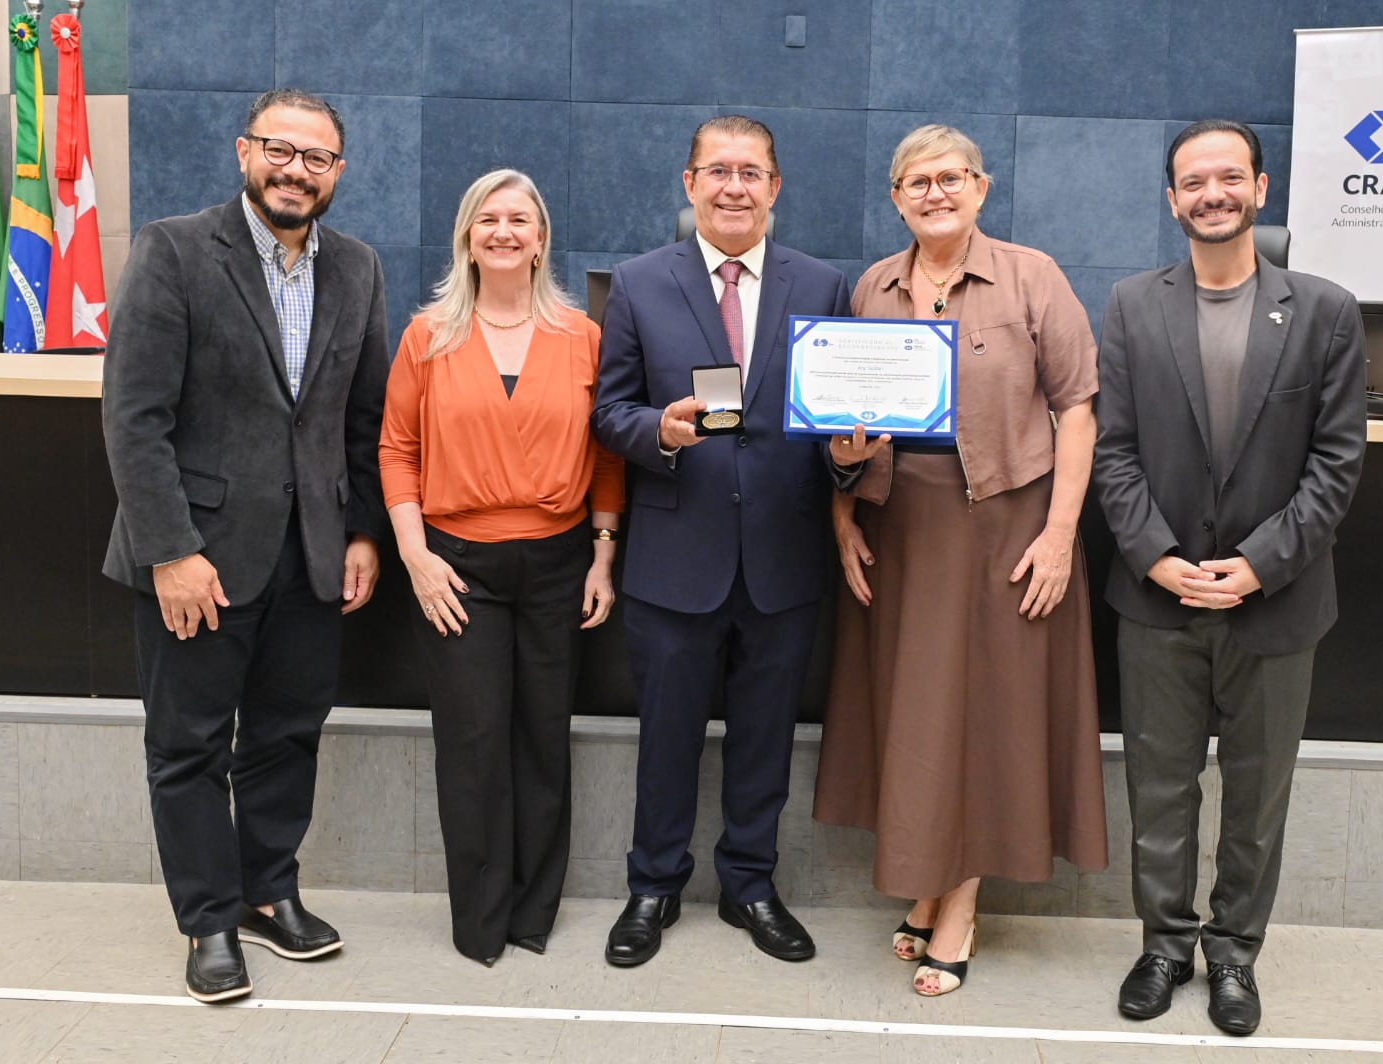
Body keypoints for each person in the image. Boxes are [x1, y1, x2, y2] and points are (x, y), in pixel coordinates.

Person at [101, 89, 389, 1003]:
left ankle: (268, 893)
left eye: (317, 158)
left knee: (287, 734)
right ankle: (209, 920)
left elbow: (363, 418)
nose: (296, 170)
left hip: (312, 555)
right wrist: (170, 551)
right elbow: (134, 419)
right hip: (199, 558)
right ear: (244, 151)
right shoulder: (175, 250)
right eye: (280, 149)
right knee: (189, 746)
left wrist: (361, 531)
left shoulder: (358, 268)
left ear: (337, 172)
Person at [813, 124, 1109, 998]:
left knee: (987, 716)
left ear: (981, 188)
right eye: (917, 181)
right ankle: (931, 879)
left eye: (951, 178)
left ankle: (960, 905)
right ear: (895, 198)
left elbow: (1079, 410)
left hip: (1006, 529)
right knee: (920, 717)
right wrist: (841, 512)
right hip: (901, 527)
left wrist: (1059, 536)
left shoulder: (1032, 276)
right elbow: (842, 420)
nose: (935, 193)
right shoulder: (872, 287)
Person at [1093, 119, 1366, 1036]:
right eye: (1192, 182)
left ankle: (1235, 955)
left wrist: (1256, 566)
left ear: (1259, 187)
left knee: (1256, 797)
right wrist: (1158, 557)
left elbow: (1337, 462)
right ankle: (1164, 946)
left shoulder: (1325, 310)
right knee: (1159, 788)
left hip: (1276, 603)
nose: (1211, 194)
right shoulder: (1131, 305)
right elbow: (1114, 451)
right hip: (1156, 599)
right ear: (1172, 199)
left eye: (1228, 177)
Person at [592, 115, 852, 968]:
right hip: (675, 559)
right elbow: (609, 412)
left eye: (751, 172)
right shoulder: (639, 283)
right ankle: (652, 885)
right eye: (718, 171)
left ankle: (750, 885)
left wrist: (853, 457)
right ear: (690, 182)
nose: (734, 187)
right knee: (666, 736)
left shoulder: (823, 285)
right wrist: (658, 433)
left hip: (784, 557)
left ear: (775, 187)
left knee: (765, 738)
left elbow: (834, 422)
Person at [379, 169, 624, 966]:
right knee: (474, 740)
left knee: (543, 737)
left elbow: (607, 457)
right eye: (488, 219)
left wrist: (603, 556)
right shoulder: (427, 337)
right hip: (457, 567)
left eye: (520, 219)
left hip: (559, 562)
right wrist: (415, 556)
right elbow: (397, 450)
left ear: (542, 239)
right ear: (467, 237)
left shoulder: (583, 337)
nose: (504, 232)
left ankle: (532, 912)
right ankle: (481, 922)